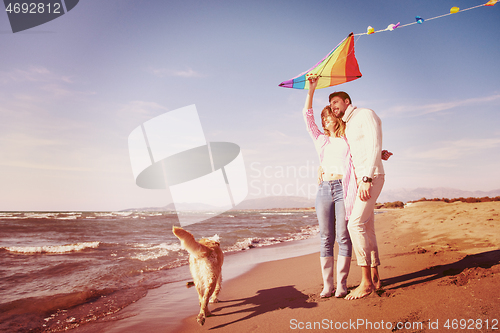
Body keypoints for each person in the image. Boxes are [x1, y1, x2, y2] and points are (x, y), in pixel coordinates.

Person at [328, 90, 386, 300]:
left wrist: (367, 178)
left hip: (369, 178)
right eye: (331, 104)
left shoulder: (365, 114)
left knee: (354, 225)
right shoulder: (349, 124)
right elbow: (365, 149)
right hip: (362, 178)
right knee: (367, 226)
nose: (334, 106)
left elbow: (374, 142)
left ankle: (366, 283)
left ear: (346, 101)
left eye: (336, 102)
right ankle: (375, 275)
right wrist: (380, 155)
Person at [303, 77, 357, 298]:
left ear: (336, 118)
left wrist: (380, 154)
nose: (324, 121)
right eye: (322, 118)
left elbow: (362, 152)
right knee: (326, 237)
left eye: (327, 117)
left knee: (343, 236)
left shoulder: (347, 138)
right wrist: (311, 91)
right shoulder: (320, 141)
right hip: (325, 189)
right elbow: (307, 118)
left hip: (343, 189)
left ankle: (342, 284)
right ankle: (328, 285)